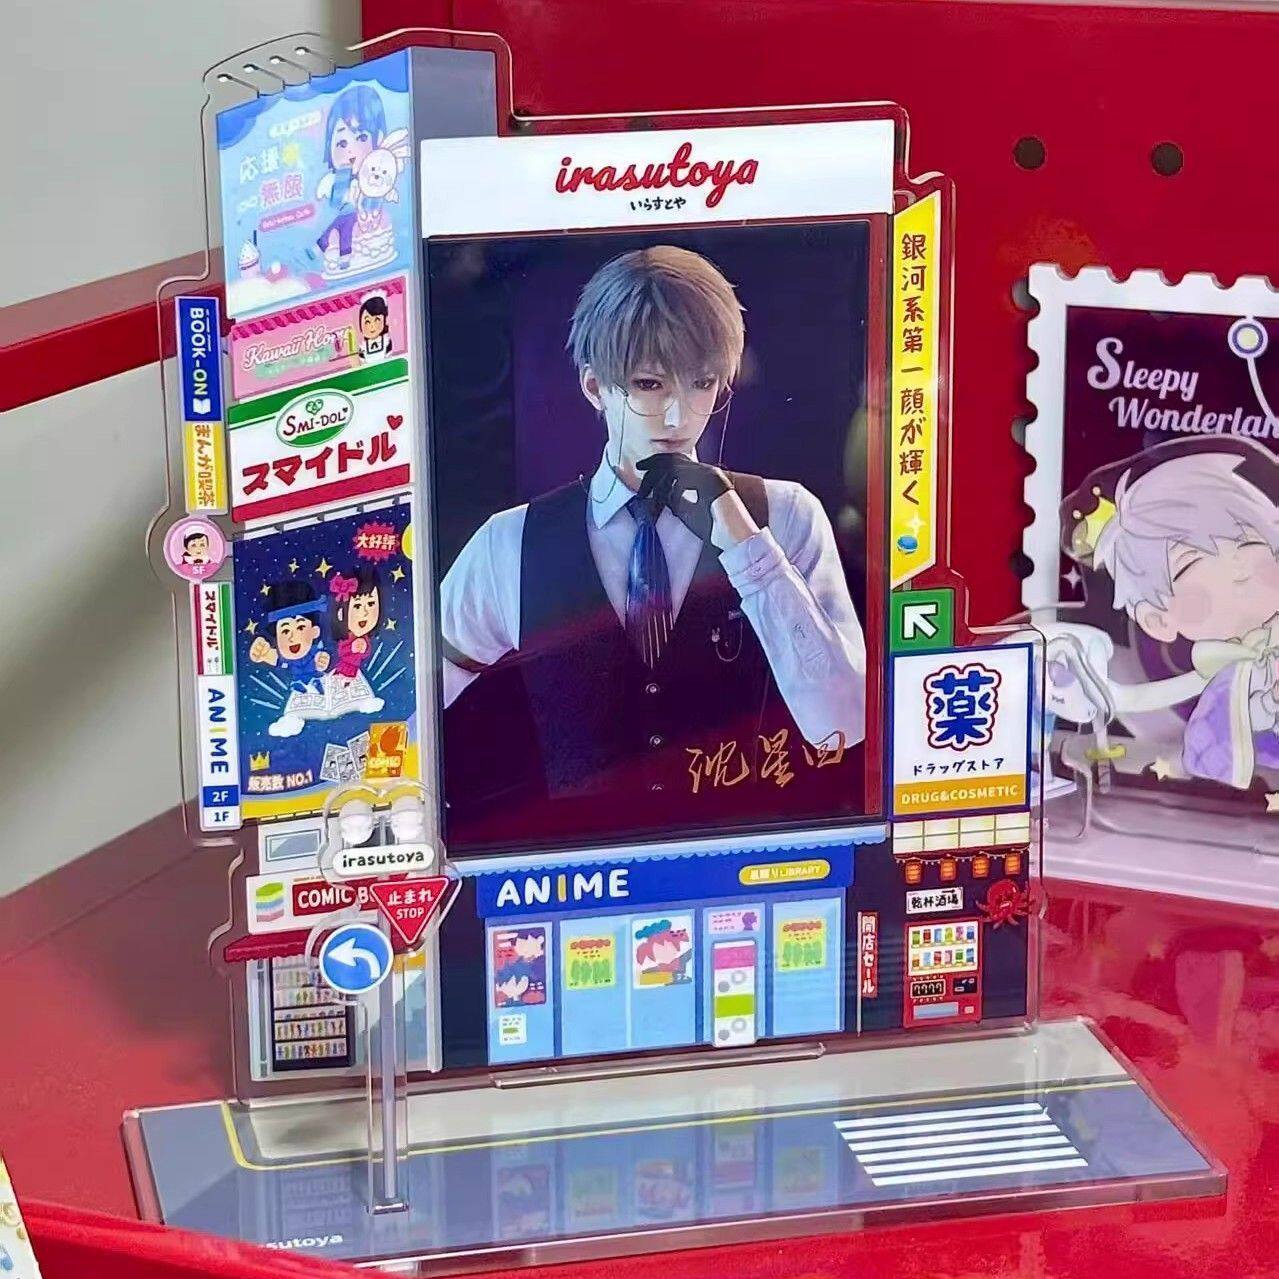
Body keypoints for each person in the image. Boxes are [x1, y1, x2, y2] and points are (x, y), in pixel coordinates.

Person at [439, 246, 867, 843]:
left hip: (752, 864)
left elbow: (844, 725)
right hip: (574, 875)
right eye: (648, 384)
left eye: (701, 384)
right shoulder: (508, 543)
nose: (676, 416)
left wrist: (748, 548)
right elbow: (405, 709)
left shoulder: (784, 516)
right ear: (595, 386)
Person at [1088, 449, 1279, 787]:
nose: (1237, 566)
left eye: (1248, 541)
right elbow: (1154, 701)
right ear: (1157, 620)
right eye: (1191, 560)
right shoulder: (1220, 691)